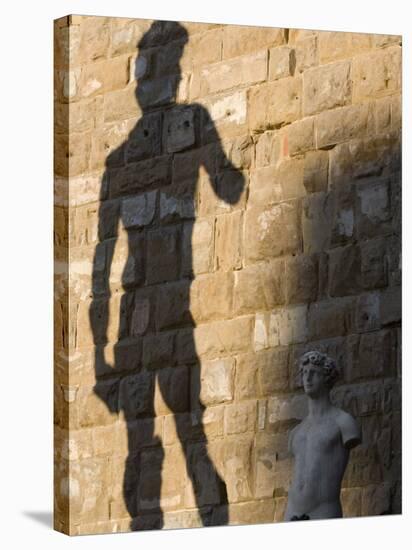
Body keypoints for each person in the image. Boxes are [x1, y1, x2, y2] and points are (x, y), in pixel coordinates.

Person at [89, 20, 245, 530]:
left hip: (157, 313)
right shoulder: (128, 157)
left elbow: (100, 267)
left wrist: (99, 357)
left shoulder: (185, 128)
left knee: (178, 432)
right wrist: (100, 356)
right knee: (167, 437)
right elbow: (101, 262)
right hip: (144, 314)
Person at [284, 351, 361, 521]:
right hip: (291, 512)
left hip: (323, 512)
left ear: (326, 377)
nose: (307, 378)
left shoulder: (343, 422)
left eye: (314, 373)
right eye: (304, 373)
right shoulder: (296, 432)